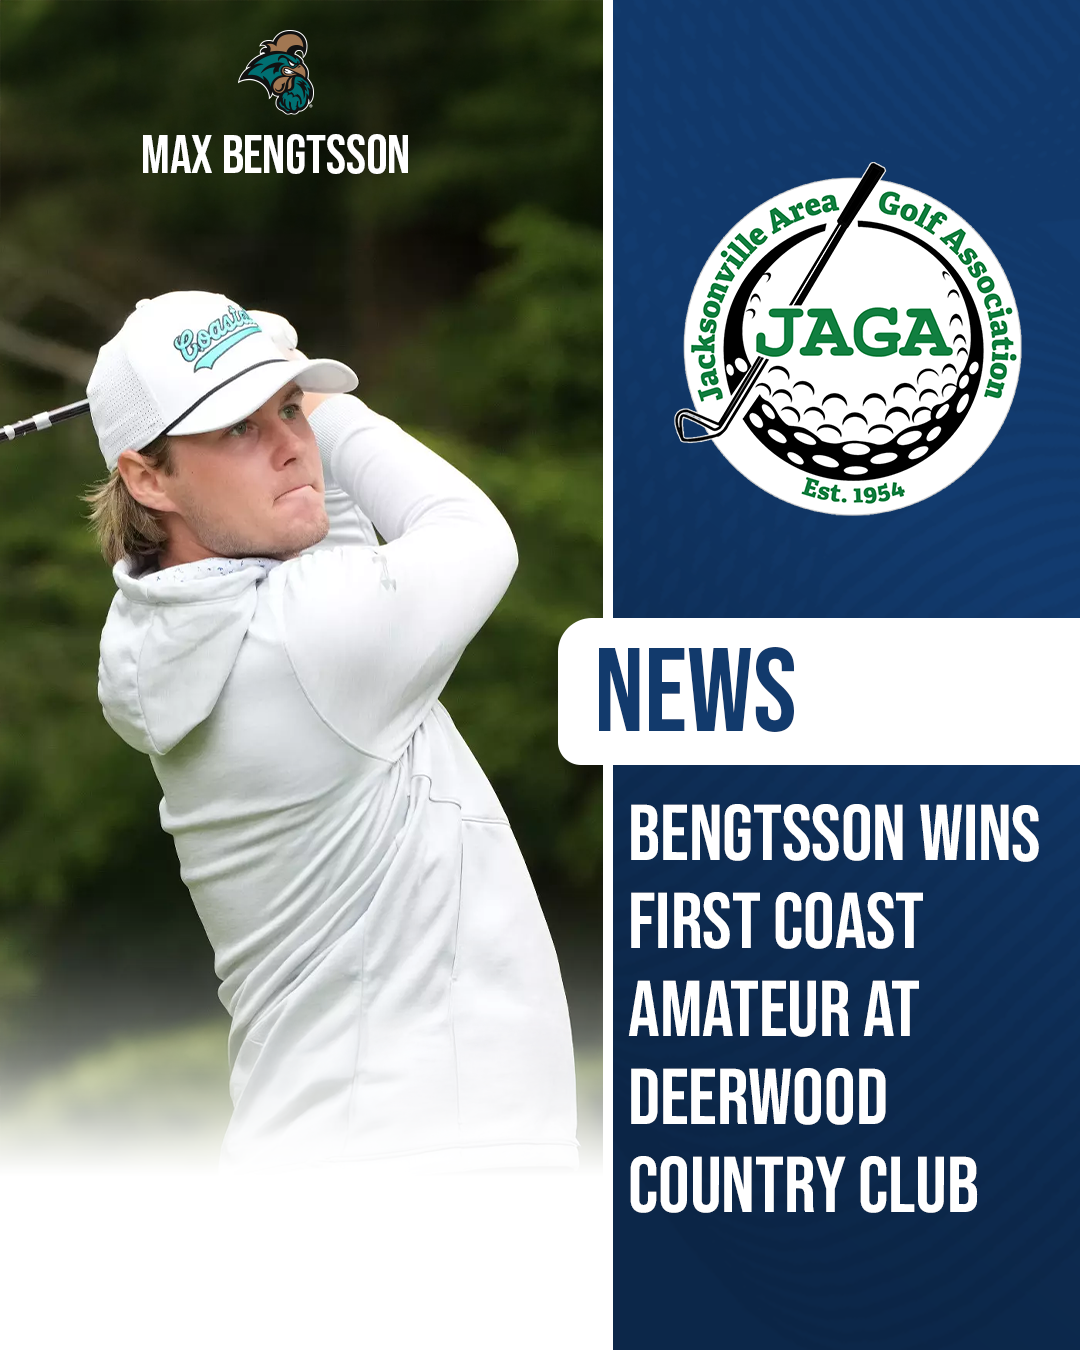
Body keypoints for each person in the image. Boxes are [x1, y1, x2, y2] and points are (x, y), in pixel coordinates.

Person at [86, 290, 578, 1170]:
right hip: (431, 1167)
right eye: (237, 428)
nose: (288, 446)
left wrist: (264, 398)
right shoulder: (309, 637)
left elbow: (325, 540)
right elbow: (474, 535)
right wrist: (332, 411)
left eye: (285, 411)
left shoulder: (159, 633)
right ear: (148, 477)